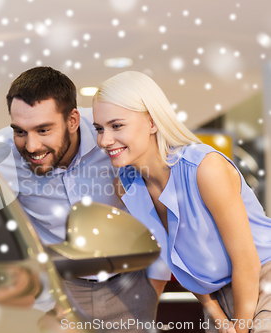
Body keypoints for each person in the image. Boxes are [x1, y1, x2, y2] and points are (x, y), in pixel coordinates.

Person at [0, 67, 170, 330]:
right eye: (20, 131)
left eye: (44, 130)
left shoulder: (110, 135)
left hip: (131, 284)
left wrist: (155, 282)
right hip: (57, 289)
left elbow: (156, 204)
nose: (32, 146)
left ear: (72, 120)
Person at [92, 70, 271, 333]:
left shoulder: (205, 168)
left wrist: (240, 327)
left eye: (116, 126)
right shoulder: (126, 185)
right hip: (218, 297)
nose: (105, 140)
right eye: (99, 128)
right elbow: (181, 261)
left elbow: (247, 261)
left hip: (261, 281)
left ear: (152, 122)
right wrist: (218, 315)